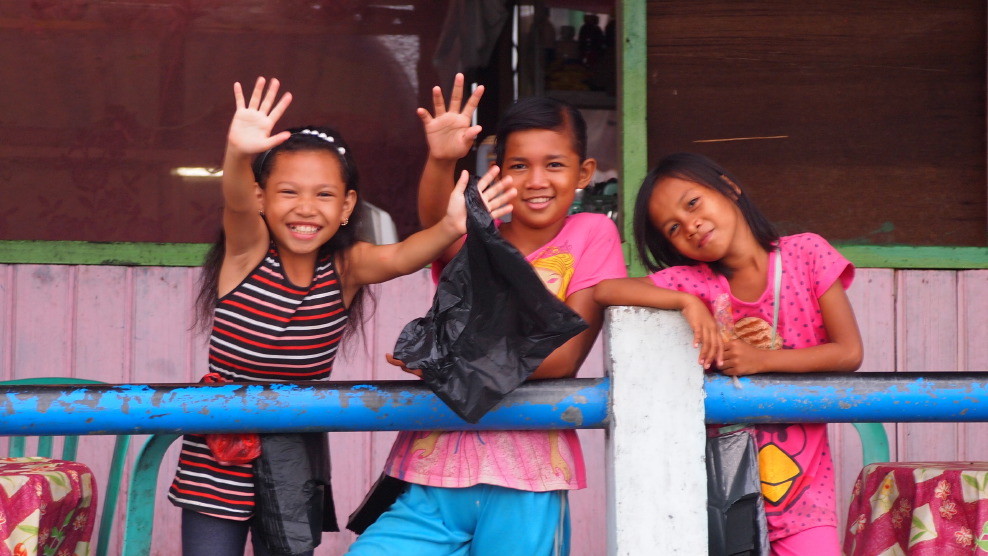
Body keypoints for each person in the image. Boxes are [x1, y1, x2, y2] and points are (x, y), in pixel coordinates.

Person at [166, 76, 515, 556]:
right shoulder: (247, 253)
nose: (305, 208)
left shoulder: (347, 268)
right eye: (288, 192)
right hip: (220, 447)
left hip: (295, 442)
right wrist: (237, 152)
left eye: (324, 195)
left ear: (348, 205)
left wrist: (454, 224)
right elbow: (234, 199)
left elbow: (405, 255)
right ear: (262, 199)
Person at [346, 75, 627, 555]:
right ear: (496, 172)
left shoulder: (591, 233)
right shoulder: (480, 233)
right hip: (434, 467)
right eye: (519, 165)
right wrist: (441, 158)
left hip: (529, 476)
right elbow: (441, 224)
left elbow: (562, 358)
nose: (537, 181)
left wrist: (452, 359)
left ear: (584, 173)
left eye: (554, 165)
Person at [594, 152, 863, 555]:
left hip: (806, 496)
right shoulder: (696, 281)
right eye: (674, 228)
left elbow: (849, 352)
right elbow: (605, 290)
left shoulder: (807, 254)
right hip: (723, 498)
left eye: (693, 203)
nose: (691, 225)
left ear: (729, 188)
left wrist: (762, 361)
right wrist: (688, 302)